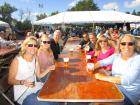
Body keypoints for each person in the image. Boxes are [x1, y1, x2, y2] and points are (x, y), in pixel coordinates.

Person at [92, 34, 140, 105]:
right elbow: (102, 62)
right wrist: (92, 67)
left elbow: (126, 80)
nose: (126, 46)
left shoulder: (137, 59)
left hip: (128, 95)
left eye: (130, 44)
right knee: (95, 95)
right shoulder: (117, 56)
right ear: (120, 45)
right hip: (114, 87)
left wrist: (102, 77)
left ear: (134, 46)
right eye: (123, 44)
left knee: (99, 102)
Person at [8, 36, 57, 105]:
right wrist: (22, 82)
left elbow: (39, 76)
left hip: (36, 87)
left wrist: (48, 69)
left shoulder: (35, 58)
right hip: (23, 94)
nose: (33, 48)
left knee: (55, 99)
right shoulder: (17, 60)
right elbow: (10, 80)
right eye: (30, 45)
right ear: (25, 46)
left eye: (35, 45)